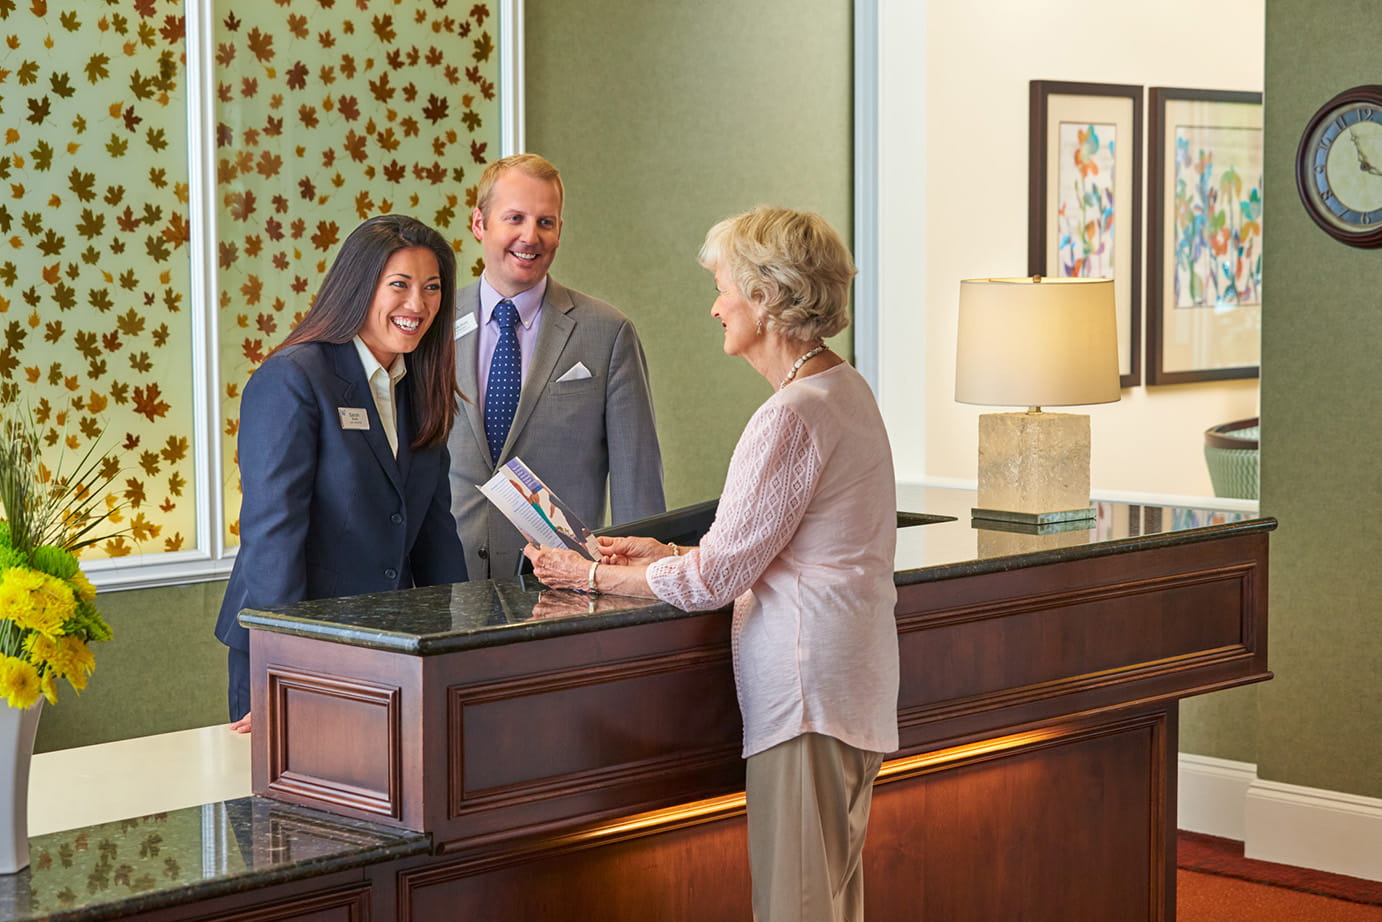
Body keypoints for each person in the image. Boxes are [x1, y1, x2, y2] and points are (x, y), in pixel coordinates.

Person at [526, 207, 899, 922]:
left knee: (796, 909)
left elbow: (715, 582)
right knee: (831, 902)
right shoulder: (844, 390)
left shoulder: (791, 414)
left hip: (805, 697)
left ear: (765, 296)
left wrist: (589, 576)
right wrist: (667, 552)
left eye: (725, 285)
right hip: (845, 686)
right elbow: (774, 548)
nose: (715, 304)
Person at [215, 214, 469, 732]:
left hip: (388, 649)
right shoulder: (293, 378)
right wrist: (280, 670)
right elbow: (272, 534)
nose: (417, 305)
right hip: (298, 649)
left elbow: (434, 533)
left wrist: (460, 650)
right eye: (399, 285)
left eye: (432, 288)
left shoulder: (418, 385)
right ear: (359, 287)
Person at [448, 153, 665, 580]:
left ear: (560, 231)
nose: (530, 236)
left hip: (560, 589)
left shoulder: (607, 333)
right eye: (514, 218)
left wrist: (637, 591)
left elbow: (636, 486)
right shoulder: (432, 325)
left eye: (545, 222)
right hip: (443, 586)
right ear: (479, 224)